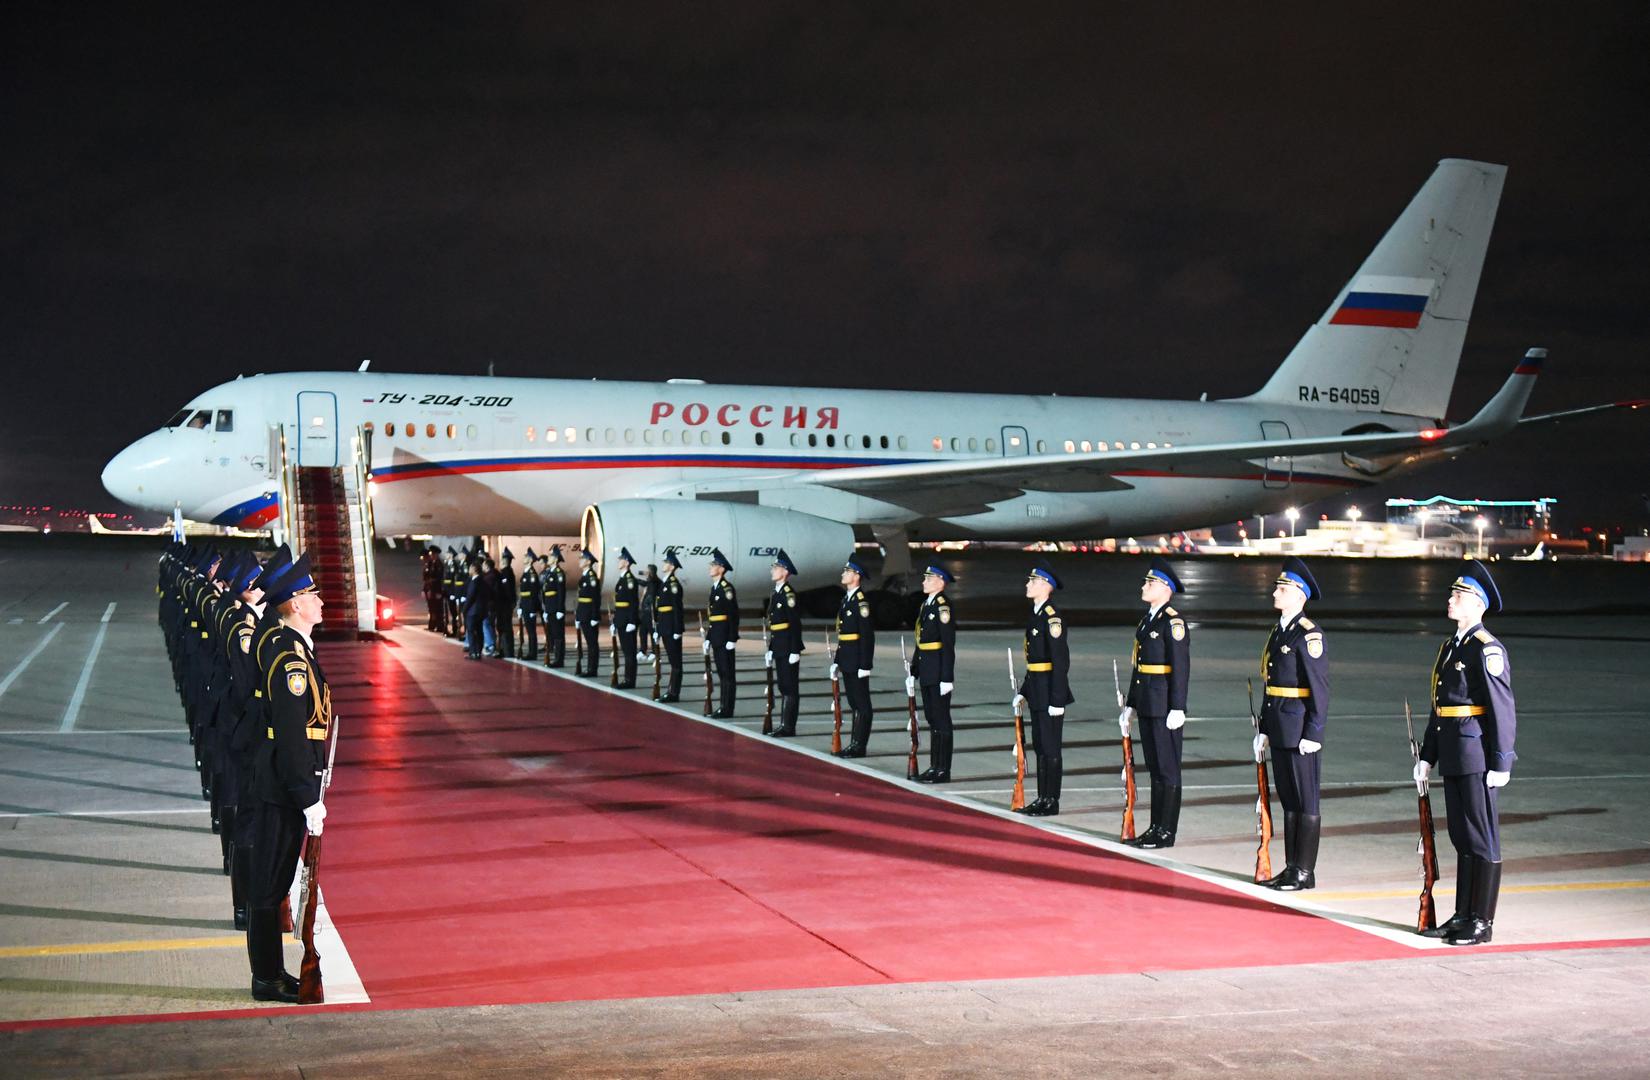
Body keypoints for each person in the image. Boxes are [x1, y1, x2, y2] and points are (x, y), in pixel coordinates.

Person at [244, 553, 332, 1003]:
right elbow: (293, 734)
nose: (319, 600)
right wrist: (306, 796)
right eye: (310, 594)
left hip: (287, 785)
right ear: (295, 605)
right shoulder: (290, 658)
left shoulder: (292, 648)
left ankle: (271, 973)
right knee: (269, 885)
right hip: (284, 787)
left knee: (273, 882)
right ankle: (267, 977)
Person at [1416, 560, 1516, 946]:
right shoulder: (1450, 646)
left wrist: (1501, 761)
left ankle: (1482, 921)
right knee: (1461, 836)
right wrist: (1428, 755)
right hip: (1455, 753)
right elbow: (1440, 707)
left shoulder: (1486, 649)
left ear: (1478, 605)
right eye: (1452, 594)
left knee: (1482, 838)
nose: (1451, 600)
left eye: (1459, 595)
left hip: (1475, 755)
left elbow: (1501, 707)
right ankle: (1462, 914)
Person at [1255, 556, 1329, 890]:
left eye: (1282, 588)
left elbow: (1319, 688)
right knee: (1288, 801)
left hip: (1300, 729)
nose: (1276, 592)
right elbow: (1271, 684)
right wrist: (1265, 728)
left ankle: (1304, 871)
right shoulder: (1278, 631)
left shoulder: (1308, 635)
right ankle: (1290, 867)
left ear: (1299, 596)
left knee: (1305, 801)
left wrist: (1314, 732)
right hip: (1281, 727)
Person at [1121, 557, 1191, 848]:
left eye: (1150, 583)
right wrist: (1132, 703)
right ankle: (1154, 827)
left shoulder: (1173, 623)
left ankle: (1166, 831)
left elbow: (1181, 667)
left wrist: (1178, 707)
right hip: (1149, 703)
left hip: (1164, 706)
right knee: (1154, 768)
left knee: (1167, 768)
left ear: (1165, 588)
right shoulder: (1148, 620)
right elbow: (1140, 667)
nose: (1144, 586)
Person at [1014, 563, 1073, 816]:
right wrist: (1024, 691)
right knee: (1040, 747)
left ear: (1045, 585)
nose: (1028, 584)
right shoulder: (1036, 615)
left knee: (1050, 748)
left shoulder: (1052, 617)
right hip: (1038, 690)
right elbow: (1033, 662)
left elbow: (1060, 661)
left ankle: (1051, 800)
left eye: (1032, 581)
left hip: (1050, 692)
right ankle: (1042, 797)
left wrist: (1058, 698)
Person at [912, 564, 956, 782]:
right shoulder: (926, 606)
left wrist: (947, 677)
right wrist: (914, 670)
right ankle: (934, 765)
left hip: (938, 672)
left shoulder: (942, 607)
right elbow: (920, 641)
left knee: (941, 720)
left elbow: (947, 645)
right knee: (932, 719)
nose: (924, 582)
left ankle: (942, 769)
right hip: (927, 670)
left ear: (940, 582)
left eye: (928, 579)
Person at [832, 557, 876, 757]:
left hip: (857, 661)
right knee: (853, 703)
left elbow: (867, 636)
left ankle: (859, 745)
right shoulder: (847, 600)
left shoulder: (861, 603)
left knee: (862, 704)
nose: (843, 574)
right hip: (848, 659)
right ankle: (854, 743)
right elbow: (844, 636)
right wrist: (837, 660)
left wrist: (865, 664)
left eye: (847, 571)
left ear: (856, 576)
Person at [765, 550, 804, 736]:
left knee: (789, 688)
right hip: (779, 646)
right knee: (783, 686)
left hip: (788, 647)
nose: (772, 570)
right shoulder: (776, 593)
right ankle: (783, 724)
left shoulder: (788, 594)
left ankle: (788, 726)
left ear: (785, 571)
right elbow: (775, 626)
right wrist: (772, 648)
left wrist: (795, 650)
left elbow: (794, 624)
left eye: (776, 567)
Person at [706, 548, 740, 716]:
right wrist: (708, 637)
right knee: (721, 673)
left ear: (721, 568)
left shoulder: (726, 589)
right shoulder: (715, 588)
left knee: (727, 674)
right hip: (717, 637)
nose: (710, 567)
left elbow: (733, 615)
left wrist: (732, 638)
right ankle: (722, 706)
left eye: (713, 565)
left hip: (725, 637)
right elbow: (713, 617)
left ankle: (727, 708)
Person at [655, 550, 686, 701]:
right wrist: (658, 628)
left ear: (672, 566)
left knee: (676, 662)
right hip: (665, 626)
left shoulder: (673, 585)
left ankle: (674, 693)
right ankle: (671, 691)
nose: (664, 564)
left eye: (666, 563)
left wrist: (677, 629)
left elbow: (676, 608)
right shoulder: (665, 583)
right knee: (672, 661)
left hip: (671, 628)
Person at [612, 547, 640, 688]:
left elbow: (633, 602)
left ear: (627, 562)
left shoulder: (630, 580)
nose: (619, 561)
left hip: (627, 621)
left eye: (621, 559)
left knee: (629, 652)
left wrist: (632, 621)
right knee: (625, 651)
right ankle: (627, 678)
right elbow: (619, 604)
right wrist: (615, 621)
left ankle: (630, 680)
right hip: (621, 619)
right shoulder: (622, 579)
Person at [575, 549, 602, 677]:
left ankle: (592, 669)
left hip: (589, 615)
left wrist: (594, 616)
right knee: (588, 643)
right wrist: (578, 616)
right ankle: (589, 667)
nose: (580, 561)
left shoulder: (591, 578)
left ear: (588, 561)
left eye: (582, 559)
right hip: (583, 613)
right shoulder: (585, 577)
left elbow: (595, 599)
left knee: (592, 643)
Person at [462, 559, 492, 660]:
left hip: (472, 611)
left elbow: (470, 597)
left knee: (471, 631)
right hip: (481, 610)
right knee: (479, 631)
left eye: (470, 568)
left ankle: (473, 652)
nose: (469, 570)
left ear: (474, 569)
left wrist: (464, 609)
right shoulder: (482, 581)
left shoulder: (474, 582)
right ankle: (478, 651)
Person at [542, 546, 567, 668]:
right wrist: (546, 609)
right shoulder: (549, 573)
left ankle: (559, 659)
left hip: (556, 609)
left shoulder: (558, 573)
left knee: (558, 635)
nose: (549, 558)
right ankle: (555, 658)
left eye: (551, 556)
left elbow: (561, 592)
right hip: (550, 608)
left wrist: (560, 609)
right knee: (552, 634)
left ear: (556, 559)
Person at [494, 548, 518, 659]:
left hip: (505, 605)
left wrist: (509, 603)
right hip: (501, 604)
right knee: (501, 627)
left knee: (506, 627)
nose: (502, 562)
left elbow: (508, 591)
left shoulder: (507, 573)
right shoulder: (503, 573)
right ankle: (503, 649)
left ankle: (508, 651)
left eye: (503, 560)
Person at [518, 548, 542, 660]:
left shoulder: (532, 574)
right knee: (528, 631)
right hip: (525, 604)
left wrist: (532, 609)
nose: (524, 558)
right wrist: (521, 606)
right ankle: (531, 652)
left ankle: (533, 653)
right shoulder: (526, 572)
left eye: (526, 557)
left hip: (530, 606)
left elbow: (533, 593)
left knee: (531, 631)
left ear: (530, 559)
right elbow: (523, 593)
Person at [421, 546, 444, 632]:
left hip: (436, 590)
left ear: (436, 554)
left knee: (438, 609)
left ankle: (439, 626)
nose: (431, 556)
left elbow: (439, 579)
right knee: (432, 608)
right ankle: (432, 625)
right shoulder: (431, 564)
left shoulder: (438, 564)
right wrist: (425, 590)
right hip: (431, 590)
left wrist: (438, 591)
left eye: (432, 554)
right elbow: (427, 579)